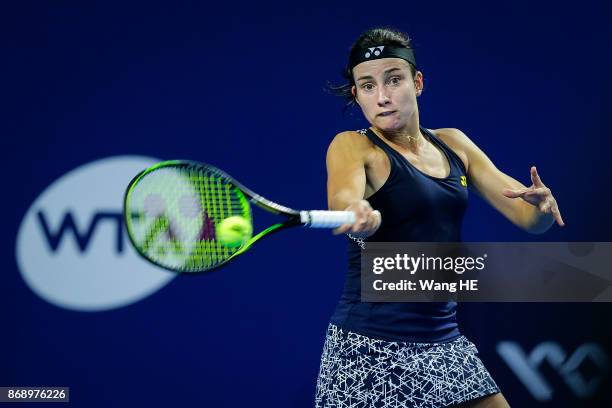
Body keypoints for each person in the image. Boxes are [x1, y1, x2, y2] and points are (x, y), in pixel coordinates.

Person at [315, 27, 564, 408]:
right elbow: (344, 197)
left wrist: (542, 207)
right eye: (367, 86)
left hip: (443, 341)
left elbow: (528, 217)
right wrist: (355, 210)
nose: (382, 96)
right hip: (367, 348)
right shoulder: (353, 145)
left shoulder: (454, 144)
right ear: (356, 94)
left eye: (393, 80)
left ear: (417, 82)